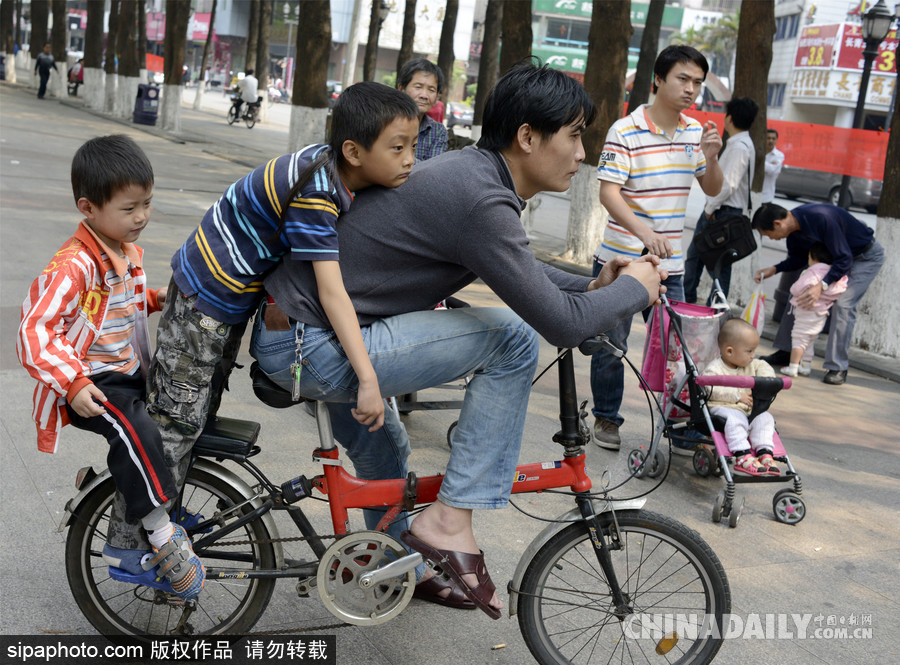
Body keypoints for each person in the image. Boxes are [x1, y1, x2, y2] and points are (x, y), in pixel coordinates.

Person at [251, 62, 665, 619]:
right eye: (574, 135)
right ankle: (447, 524)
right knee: (513, 339)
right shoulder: (478, 197)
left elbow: (514, 268)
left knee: (388, 458)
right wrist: (636, 290)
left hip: (301, 334)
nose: (583, 153)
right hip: (313, 346)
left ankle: (402, 563)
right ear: (527, 137)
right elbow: (559, 323)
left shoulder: (475, 176)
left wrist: (595, 285)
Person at [91, 83, 416, 594]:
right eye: (398, 148)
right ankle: (133, 545)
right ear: (354, 152)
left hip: (224, 300)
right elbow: (333, 294)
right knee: (174, 423)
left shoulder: (331, 171)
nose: (410, 160)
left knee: (193, 418)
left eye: (413, 147)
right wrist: (368, 377)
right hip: (206, 299)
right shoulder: (318, 188)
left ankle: (170, 525)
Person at [16, 135, 205, 600]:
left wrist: (155, 299)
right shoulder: (72, 265)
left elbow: (111, 307)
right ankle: (155, 534)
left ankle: (133, 490)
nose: (141, 216)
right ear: (88, 207)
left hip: (124, 373)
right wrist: (73, 382)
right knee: (135, 429)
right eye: (130, 207)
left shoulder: (123, 249)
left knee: (171, 421)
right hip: (91, 383)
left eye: (148, 203)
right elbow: (33, 330)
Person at [589, 45, 724, 449]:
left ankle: (676, 425)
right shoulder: (625, 129)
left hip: (671, 267)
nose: (691, 89)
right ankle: (607, 419)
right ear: (658, 80)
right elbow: (609, 193)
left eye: (698, 82)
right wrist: (644, 232)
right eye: (683, 79)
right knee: (611, 347)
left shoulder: (694, 133)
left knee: (678, 351)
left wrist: (713, 158)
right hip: (622, 260)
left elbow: (713, 188)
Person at [753, 202, 885, 385]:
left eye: (769, 235)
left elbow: (844, 259)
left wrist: (821, 286)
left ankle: (837, 367)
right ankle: (788, 351)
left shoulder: (821, 218)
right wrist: (774, 269)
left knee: (844, 304)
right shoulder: (793, 234)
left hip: (864, 257)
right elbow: (798, 260)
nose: (772, 239)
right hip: (835, 260)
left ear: (777, 224)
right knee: (800, 290)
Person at [683, 96, 758, 304]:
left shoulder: (739, 146)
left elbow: (728, 185)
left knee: (717, 265)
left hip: (721, 212)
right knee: (700, 258)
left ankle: (712, 308)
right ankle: (690, 300)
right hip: (723, 211)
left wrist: (710, 208)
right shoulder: (742, 143)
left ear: (729, 118)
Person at [702, 319, 780, 476]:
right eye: (749, 351)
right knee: (735, 418)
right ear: (729, 351)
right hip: (723, 407)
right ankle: (742, 454)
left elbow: (764, 366)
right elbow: (710, 388)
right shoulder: (715, 368)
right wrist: (736, 396)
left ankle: (764, 451)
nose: (753, 356)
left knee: (765, 417)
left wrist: (765, 381)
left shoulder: (751, 365)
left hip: (747, 410)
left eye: (754, 351)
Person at [779, 243, 848, 377]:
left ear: (813, 256)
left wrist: (794, 289)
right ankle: (806, 366)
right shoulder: (832, 273)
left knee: (799, 338)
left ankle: (793, 367)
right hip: (821, 314)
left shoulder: (814, 272)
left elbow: (797, 288)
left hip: (806, 311)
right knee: (810, 340)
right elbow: (838, 290)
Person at [397, 58, 448, 161]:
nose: (424, 95)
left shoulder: (438, 131)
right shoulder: (384, 122)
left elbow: (433, 170)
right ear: (401, 89)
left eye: (431, 90)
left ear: (437, 97)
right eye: (418, 87)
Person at [761, 128, 784, 204]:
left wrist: (759, 162)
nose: (771, 141)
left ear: (776, 140)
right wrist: (769, 164)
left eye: (773, 139)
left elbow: (771, 170)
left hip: (767, 196)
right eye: (768, 138)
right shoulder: (758, 152)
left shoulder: (779, 155)